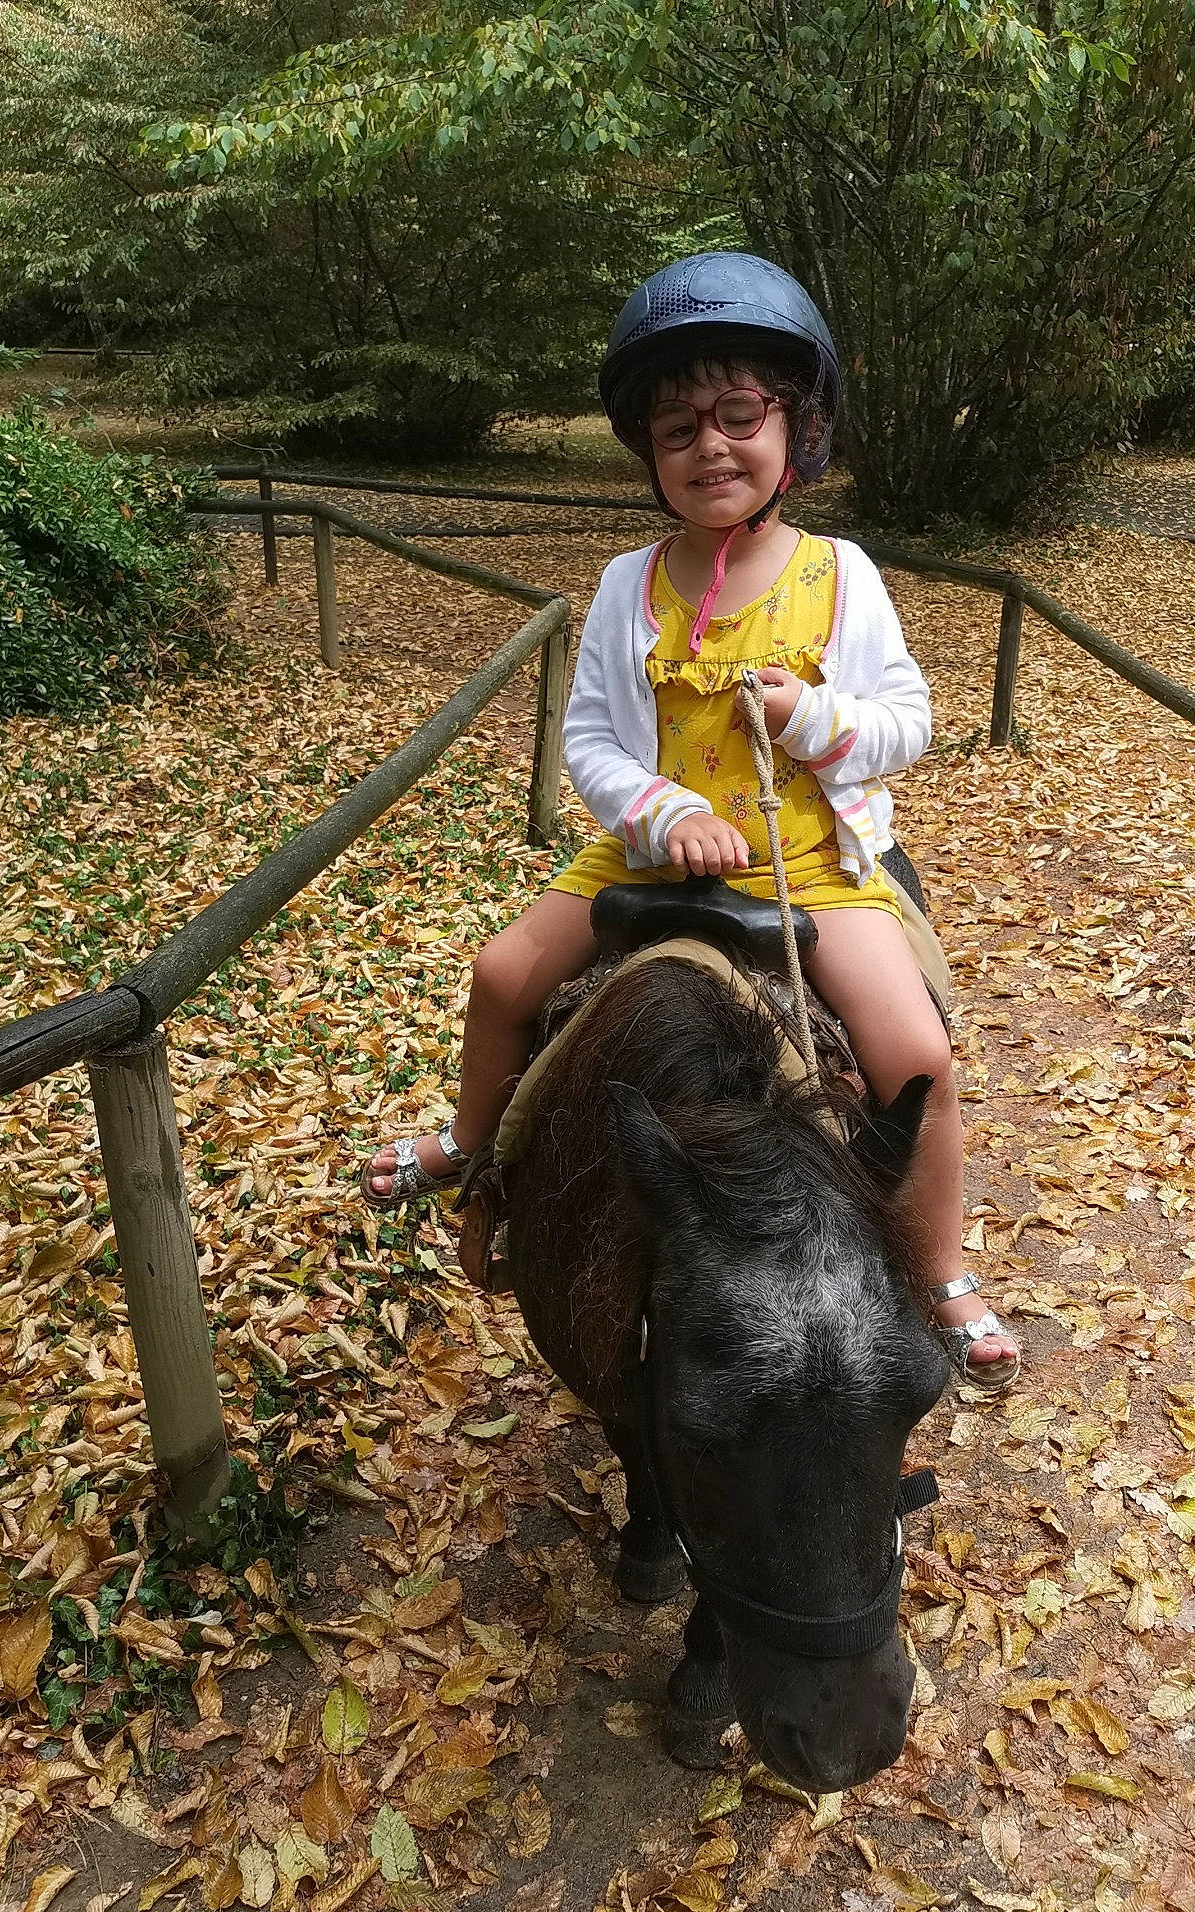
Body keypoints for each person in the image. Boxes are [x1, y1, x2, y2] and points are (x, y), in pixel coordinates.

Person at [359, 252, 1020, 1391]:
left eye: (738, 415)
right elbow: (592, 743)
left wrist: (813, 718)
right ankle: (476, 1144)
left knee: (916, 1056)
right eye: (678, 428)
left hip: (807, 860)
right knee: (502, 973)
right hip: (646, 850)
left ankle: (940, 1266)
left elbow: (909, 719)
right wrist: (662, 810)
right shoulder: (628, 584)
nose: (710, 445)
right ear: (650, 455)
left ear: (792, 429)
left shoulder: (843, 575)